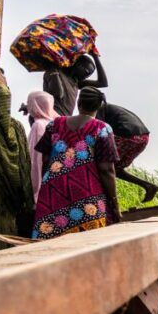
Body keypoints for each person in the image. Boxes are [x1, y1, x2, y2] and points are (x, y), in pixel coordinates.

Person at [32, 86, 120, 240]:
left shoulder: (54, 125)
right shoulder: (103, 129)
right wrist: (114, 204)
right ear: (99, 106)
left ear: (78, 103)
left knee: (49, 241)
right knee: (89, 241)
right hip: (87, 193)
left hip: (53, 192)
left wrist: (46, 187)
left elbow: (45, 160)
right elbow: (107, 170)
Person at [0, 80, 34, 253]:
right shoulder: (16, 126)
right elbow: (25, 163)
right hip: (12, 193)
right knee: (5, 231)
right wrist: (27, 197)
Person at [96, 103, 158, 202]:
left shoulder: (97, 108)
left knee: (100, 166)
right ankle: (148, 186)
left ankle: (105, 201)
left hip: (127, 136)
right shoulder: (107, 108)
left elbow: (96, 133)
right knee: (116, 169)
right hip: (143, 138)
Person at [43, 53, 108, 116]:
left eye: (89, 74)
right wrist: (54, 73)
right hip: (51, 117)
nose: (87, 76)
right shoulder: (55, 72)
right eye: (86, 72)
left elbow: (103, 83)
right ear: (78, 65)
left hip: (64, 121)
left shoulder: (75, 81)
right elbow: (58, 94)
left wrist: (95, 57)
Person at [22, 91, 55, 199]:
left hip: (40, 181)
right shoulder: (54, 123)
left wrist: (33, 189)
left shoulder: (38, 125)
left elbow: (34, 158)